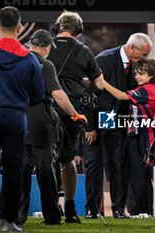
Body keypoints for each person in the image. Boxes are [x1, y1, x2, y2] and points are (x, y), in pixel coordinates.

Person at [0, 6, 45, 232]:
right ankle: (9, 221)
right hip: (16, 117)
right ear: (20, 28)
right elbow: (38, 95)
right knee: (13, 168)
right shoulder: (30, 59)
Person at [16, 29, 87, 226]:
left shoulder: (15, 61)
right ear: (47, 47)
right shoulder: (45, 64)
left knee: (21, 170)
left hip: (18, 120)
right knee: (45, 171)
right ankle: (52, 216)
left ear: (30, 43)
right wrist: (75, 114)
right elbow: (57, 94)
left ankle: (18, 217)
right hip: (41, 121)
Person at [82, 33, 152, 219]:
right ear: (132, 48)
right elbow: (88, 94)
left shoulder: (136, 64)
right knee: (93, 164)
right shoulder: (104, 60)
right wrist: (90, 126)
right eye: (143, 54)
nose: (144, 59)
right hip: (99, 117)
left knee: (118, 164)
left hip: (118, 118)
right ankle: (92, 209)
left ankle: (118, 209)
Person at [47, 10, 104, 223]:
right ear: (78, 31)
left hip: (46, 110)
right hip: (71, 111)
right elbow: (98, 83)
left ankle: (51, 207)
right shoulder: (83, 50)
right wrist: (82, 83)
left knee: (46, 160)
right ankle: (70, 209)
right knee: (67, 160)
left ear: (57, 28)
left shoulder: (45, 47)